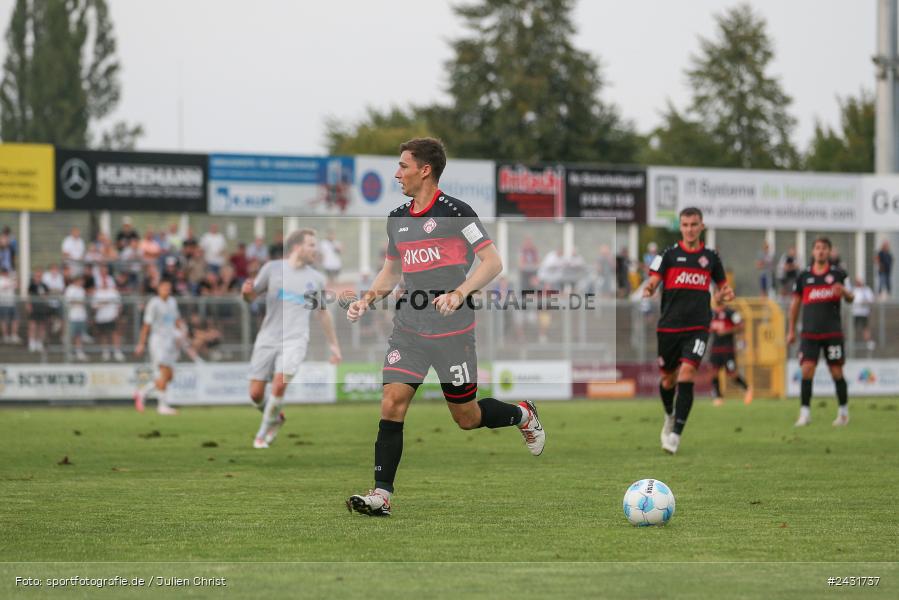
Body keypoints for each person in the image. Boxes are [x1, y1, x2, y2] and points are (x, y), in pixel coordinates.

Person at [344, 138, 544, 517]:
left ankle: (523, 415)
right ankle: (381, 495)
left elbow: (492, 262)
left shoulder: (457, 212)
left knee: (466, 418)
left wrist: (459, 292)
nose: (396, 173)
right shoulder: (397, 218)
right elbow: (391, 271)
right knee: (392, 402)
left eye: (403, 166)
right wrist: (366, 299)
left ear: (425, 170)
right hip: (409, 328)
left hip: (453, 332)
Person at [642, 207, 734, 455]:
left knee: (687, 372)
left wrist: (725, 294)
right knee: (668, 379)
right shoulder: (668, 255)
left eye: (694, 224)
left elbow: (722, 288)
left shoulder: (711, 258)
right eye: (685, 225)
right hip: (669, 327)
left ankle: (675, 435)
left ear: (702, 226)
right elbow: (653, 279)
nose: (690, 229)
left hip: (698, 326)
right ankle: (669, 415)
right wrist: (650, 287)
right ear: (680, 227)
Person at [241, 229, 342, 449]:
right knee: (255, 394)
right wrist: (246, 293)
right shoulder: (272, 269)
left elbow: (323, 313)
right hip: (268, 337)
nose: (315, 249)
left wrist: (334, 345)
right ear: (297, 247)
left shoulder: (316, 278)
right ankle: (275, 418)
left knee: (279, 384)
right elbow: (251, 297)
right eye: (311, 245)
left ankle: (261, 435)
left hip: (296, 340)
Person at [787, 237, 854, 427]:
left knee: (836, 372)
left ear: (829, 251)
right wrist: (791, 330)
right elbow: (795, 305)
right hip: (809, 333)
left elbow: (851, 297)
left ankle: (843, 413)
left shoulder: (839, 274)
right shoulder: (804, 276)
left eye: (824, 248)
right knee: (806, 370)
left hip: (832, 333)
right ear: (813, 251)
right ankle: (805, 414)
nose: (821, 251)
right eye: (817, 248)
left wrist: (844, 292)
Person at [133, 280, 184, 415]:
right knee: (163, 372)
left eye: (168, 287)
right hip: (158, 342)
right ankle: (162, 406)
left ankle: (142, 392)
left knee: (169, 376)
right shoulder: (154, 303)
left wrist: (182, 334)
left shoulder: (172, 302)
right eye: (164, 287)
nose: (167, 290)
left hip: (170, 341)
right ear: (158, 289)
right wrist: (141, 343)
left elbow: (176, 320)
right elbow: (146, 325)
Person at [708, 300, 752, 406]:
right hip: (715, 348)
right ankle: (718, 397)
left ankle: (747, 388)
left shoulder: (731, 312)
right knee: (713, 372)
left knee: (732, 374)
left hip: (727, 348)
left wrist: (726, 331)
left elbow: (741, 326)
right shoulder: (712, 313)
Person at [92, 267, 125, 362]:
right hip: (101, 317)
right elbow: (94, 306)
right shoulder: (97, 293)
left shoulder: (113, 292)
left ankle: (117, 351)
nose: (105, 282)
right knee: (104, 335)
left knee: (115, 334)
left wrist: (117, 315)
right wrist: (103, 303)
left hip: (112, 317)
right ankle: (105, 351)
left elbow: (119, 305)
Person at [64, 275, 89, 361]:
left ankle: (79, 352)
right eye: (81, 280)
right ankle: (68, 352)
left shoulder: (82, 290)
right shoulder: (70, 289)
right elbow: (68, 301)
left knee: (79, 335)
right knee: (70, 335)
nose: (83, 282)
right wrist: (78, 302)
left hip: (81, 316)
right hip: (72, 316)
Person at [850, 277, 875, 353]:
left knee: (865, 328)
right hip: (855, 312)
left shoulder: (866, 290)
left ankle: (868, 342)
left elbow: (871, 300)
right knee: (853, 328)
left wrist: (864, 302)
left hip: (864, 313)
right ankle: (852, 342)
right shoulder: (853, 290)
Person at [0, 267, 20, 344]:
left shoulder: (10, 279)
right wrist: (11, 283)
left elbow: (17, 286)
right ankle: (5, 336)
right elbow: (4, 287)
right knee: (4, 320)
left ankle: (14, 335)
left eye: (7, 272)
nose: (6, 273)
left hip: (12, 302)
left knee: (16, 319)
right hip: (3, 303)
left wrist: (15, 279)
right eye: (5, 272)